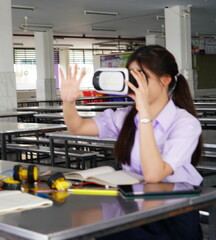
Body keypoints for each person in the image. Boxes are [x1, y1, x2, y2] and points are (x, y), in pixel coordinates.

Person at [60, 45, 203, 240]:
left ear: (165, 80)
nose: (134, 83)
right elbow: (77, 127)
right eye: (132, 76)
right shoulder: (126, 116)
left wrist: (144, 114)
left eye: (142, 77)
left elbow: (154, 175)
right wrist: (68, 102)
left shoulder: (185, 123)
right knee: (79, 220)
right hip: (134, 202)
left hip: (173, 211)